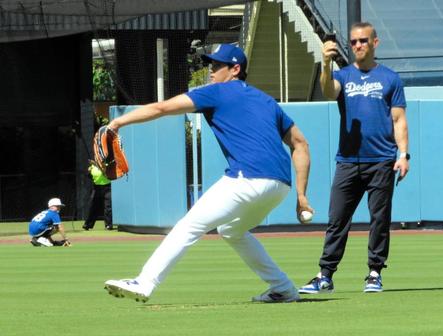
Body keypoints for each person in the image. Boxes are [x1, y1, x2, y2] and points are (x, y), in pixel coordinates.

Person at [104, 43, 313, 303]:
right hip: (279, 185)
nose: (211, 71)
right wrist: (301, 195)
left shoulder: (217, 92)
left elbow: (161, 108)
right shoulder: (266, 101)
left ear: (235, 69)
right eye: (210, 65)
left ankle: (144, 283)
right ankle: (283, 288)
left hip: (247, 178)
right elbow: (300, 144)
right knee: (231, 230)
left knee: (188, 226)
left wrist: (118, 121)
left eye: (216, 65)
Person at [298, 22, 409, 294]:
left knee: (379, 219)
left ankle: (374, 273)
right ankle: (325, 275)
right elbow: (327, 91)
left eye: (363, 41)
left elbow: (399, 120)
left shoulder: (390, 78)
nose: (358, 45)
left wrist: (403, 154)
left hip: (382, 159)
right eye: (354, 41)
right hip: (347, 161)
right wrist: (325, 63)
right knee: (337, 219)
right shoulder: (344, 75)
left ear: (375, 43)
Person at [82, 162, 113, 231]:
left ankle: (108, 225)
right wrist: (89, 172)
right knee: (93, 207)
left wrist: (101, 167)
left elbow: (106, 174)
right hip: (97, 188)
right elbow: (90, 177)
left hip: (108, 187)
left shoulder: (107, 164)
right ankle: (88, 224)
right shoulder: (92, 166)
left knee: (108, 207)